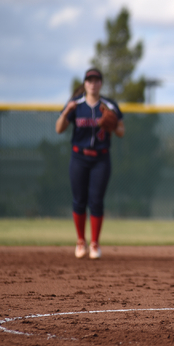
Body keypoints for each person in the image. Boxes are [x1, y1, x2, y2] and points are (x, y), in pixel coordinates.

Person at [55, 68, 125, 259]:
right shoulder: (75, 105)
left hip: (101, 158)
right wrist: (66, 112)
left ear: (101, 83)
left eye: (96, 80)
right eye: (89, 80)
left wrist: (112, 123)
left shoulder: (109, 105)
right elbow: (59, 129)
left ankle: (94, 243)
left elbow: (121, 131)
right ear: (85, 84)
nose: (93, 84)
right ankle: (80, 241)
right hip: (79, 157)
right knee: (79, 200)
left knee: (96, 201)